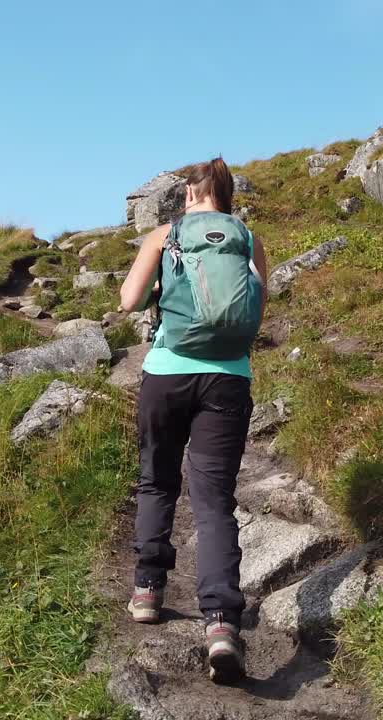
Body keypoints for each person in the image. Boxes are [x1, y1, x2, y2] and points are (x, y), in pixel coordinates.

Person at [118, 157, 268, 684]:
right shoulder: (247, 239)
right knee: (213, 504)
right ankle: (223, 623)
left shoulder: (166, 234)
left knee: (157, 482)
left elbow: (129, 299)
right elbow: (255, 307)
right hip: (228, 380)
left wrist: (159, 287)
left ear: (188, 196)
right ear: (226, 197)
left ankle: (147, 590)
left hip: (166, 375)